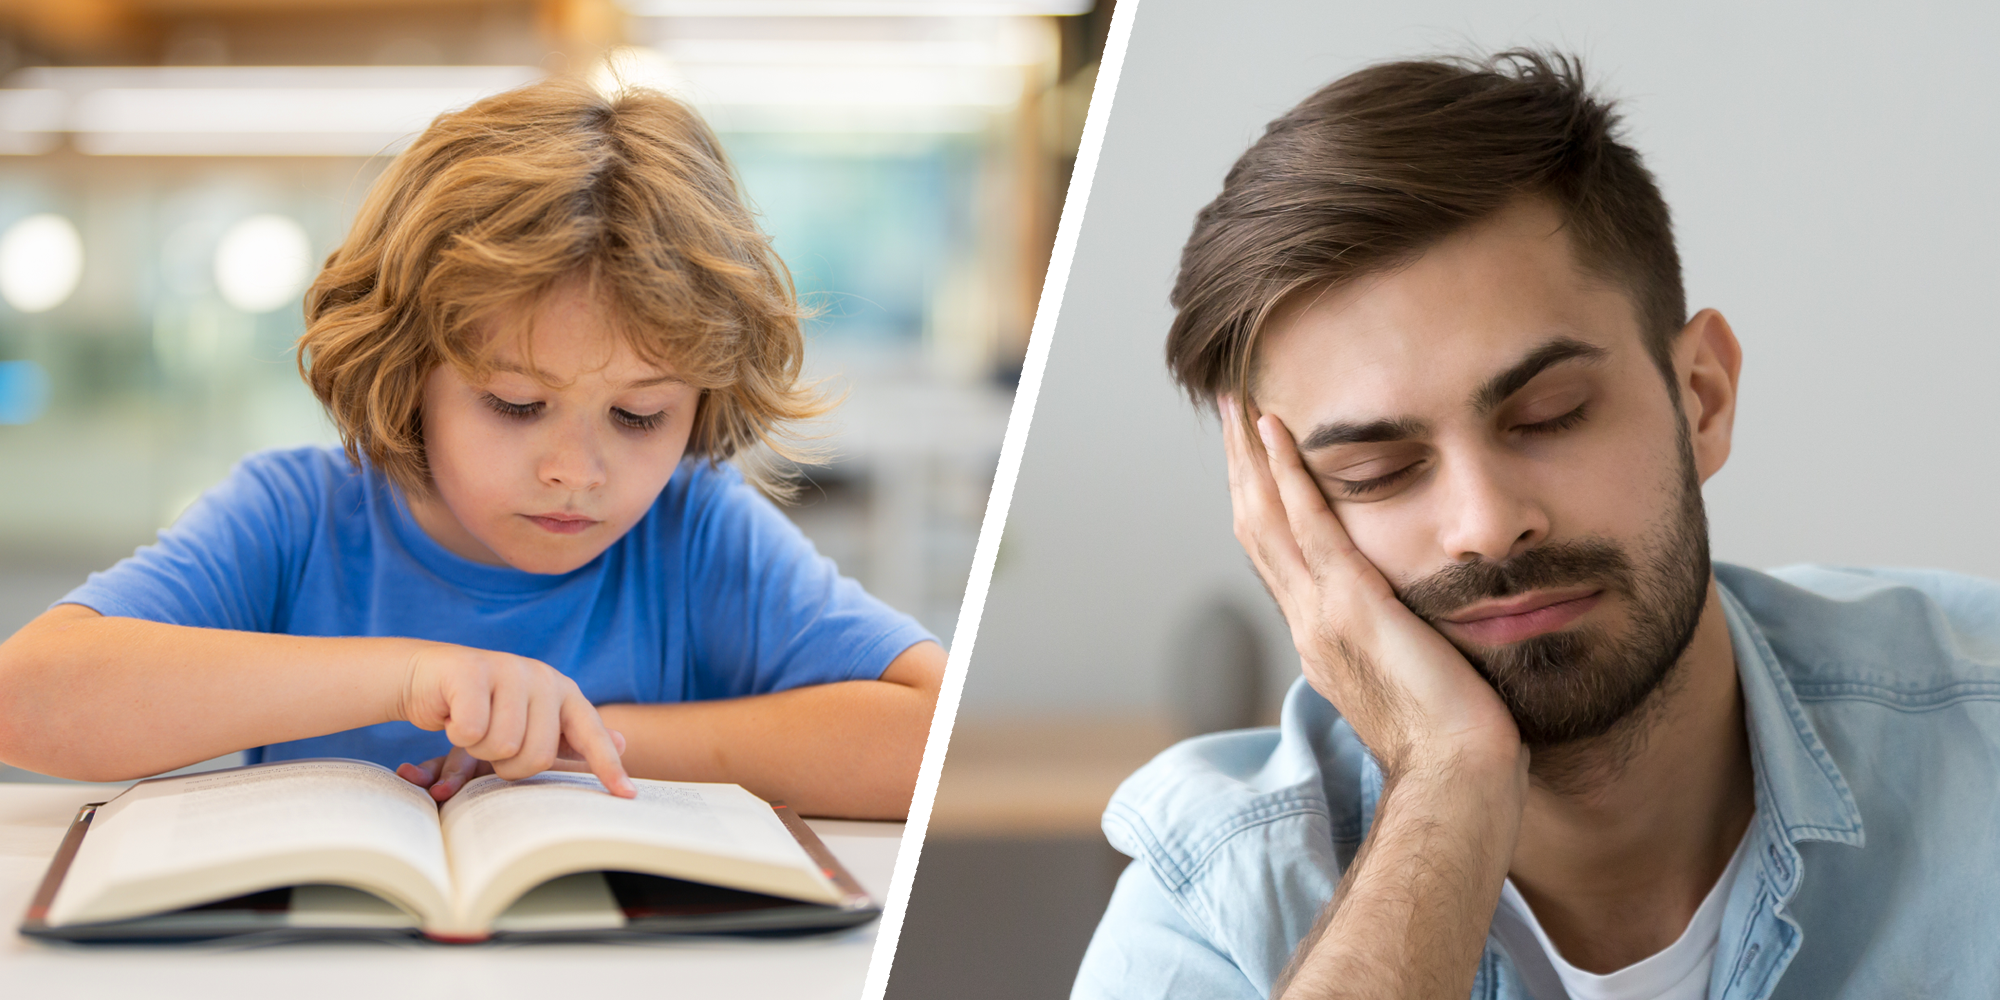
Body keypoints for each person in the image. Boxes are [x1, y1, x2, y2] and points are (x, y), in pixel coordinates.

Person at [1072, 50, 2000, 998]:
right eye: (1377, 473)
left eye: (1551, 416)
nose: (1485, 525)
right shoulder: (1213, 906)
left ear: (1703, 399)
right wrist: (1447, 781)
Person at [0, 76, 943, 820]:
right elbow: (26, 700)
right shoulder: (296, 518)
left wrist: (584, 738)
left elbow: (933, 734)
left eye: (639, 416)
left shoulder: (693, 534)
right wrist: (415, 677)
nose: (576, 470)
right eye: (515, 404)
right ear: (408, 375)